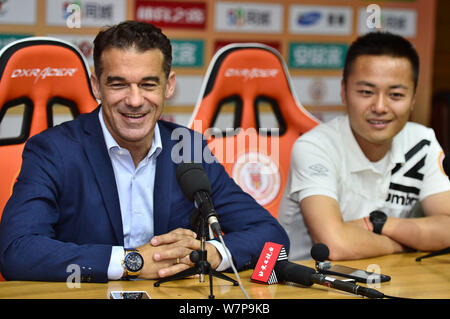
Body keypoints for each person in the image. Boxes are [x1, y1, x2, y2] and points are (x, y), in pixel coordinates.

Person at [0, 20, 289, 282]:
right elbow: (17, 251)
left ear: (169, 86)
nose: (135, 100)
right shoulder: (53, 150)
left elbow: (272, 236)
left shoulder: (187, 147)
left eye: (148, 84)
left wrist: (210, 254)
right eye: (119, 84)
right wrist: (131, 262)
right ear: (96, 86)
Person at [278, 32, 450, 261]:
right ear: (344, 91)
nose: (380, 106)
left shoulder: (422, 142)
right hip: (308, 284)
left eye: (396, 94)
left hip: (391, 277)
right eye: (366, 92)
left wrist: (378, 224)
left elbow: (447, 227)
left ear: (413, 99)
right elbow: (334, 245)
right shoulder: (315, 146)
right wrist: (410, 242)